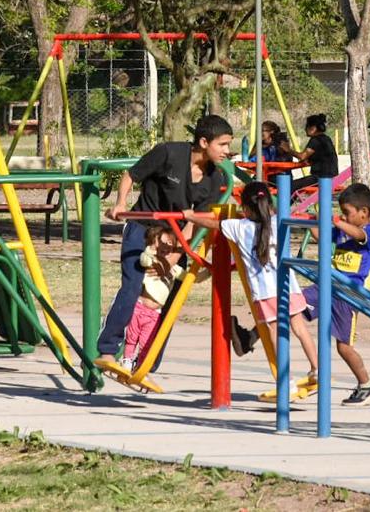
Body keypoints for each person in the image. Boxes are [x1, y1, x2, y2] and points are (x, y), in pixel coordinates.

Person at [96, 114, 234, 370]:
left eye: (229, 144)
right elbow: (131, 175)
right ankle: (107, 350)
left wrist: (170, 260)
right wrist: (120, 203)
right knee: (132, 286)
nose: (227, 151)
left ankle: (147, 362)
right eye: (223, 144)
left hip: (175, 239)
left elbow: (196, 223)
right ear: (204, 142)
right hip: (143, 228)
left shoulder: (215, 178)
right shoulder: (169, 153)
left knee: (171, 298)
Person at [187, 182, 317, 373]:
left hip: (265, 293)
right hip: (289, 286)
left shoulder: (239, 227)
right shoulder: (279, 221)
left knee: (275, 331)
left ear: (246, 209)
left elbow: (213, 224)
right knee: (300, 328)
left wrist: (190, 216)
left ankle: (286, 379)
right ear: (269, 205)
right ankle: (317, 368)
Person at [302, 182, 370, 405]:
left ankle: (366, 384)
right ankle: (252, 336)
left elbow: (358, 234)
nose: (344, 217)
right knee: (292, 303)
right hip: (328, 285)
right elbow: (322, 237)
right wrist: (311, 221)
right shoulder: (343, 230)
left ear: (364, 212)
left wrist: (337, 221)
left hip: (349, 295)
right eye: (342, 213)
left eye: (347, 212)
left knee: (344, 347)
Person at [121, 225, 185, 369]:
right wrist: (151, 248)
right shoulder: (151, 260)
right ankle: (126, 361)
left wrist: (208, 271)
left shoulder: (174, 269)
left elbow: (191, 277)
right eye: (161, 242)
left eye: (169, 244)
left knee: (146, 343)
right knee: (131, 338)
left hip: (154, 313)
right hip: (140, 306)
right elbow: (144, 259)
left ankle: (140, 367)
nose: (165, 246)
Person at [286, 113, 339, 194]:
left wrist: (287, 150)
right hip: (331, 177)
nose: (305, 129)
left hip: (321, 178)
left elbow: (302, 156)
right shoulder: (326, 138)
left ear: (313, 128)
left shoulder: (315, 140)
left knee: (288, 186)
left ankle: (285, 202)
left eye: (306, 127)